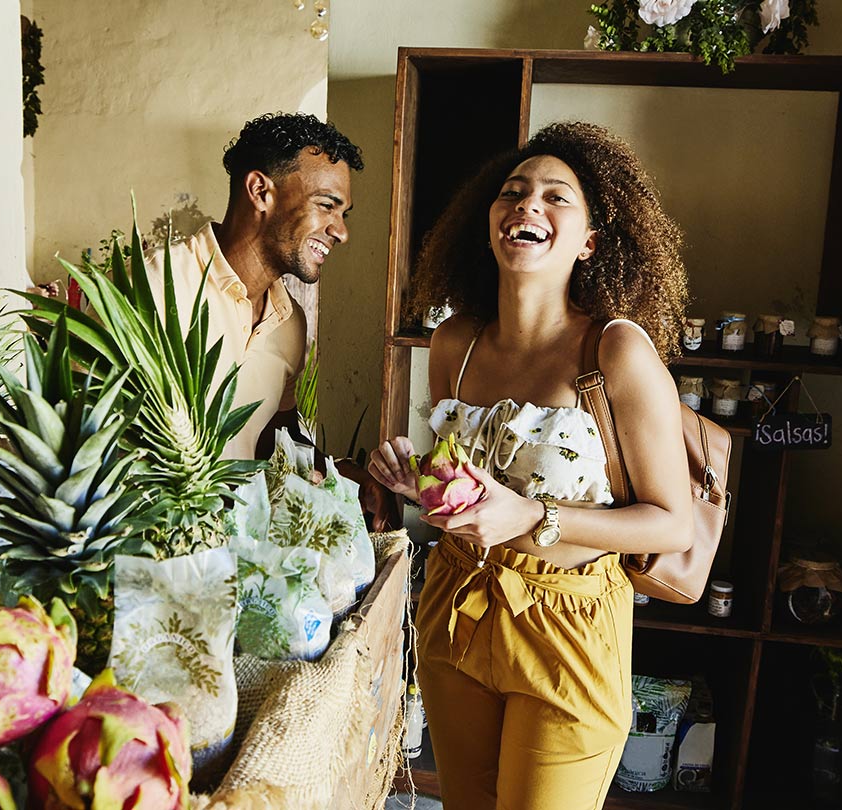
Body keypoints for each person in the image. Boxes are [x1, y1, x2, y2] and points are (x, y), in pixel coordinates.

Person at [367, 122, 700, 809]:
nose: (527, 204)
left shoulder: (614, 352)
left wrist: (534, 516)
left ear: (590, 243)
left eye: (556, 197)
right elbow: (468, 483)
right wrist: (417, 481)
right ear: (488, 221)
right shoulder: (453, 341)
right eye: (513, 193)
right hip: (457, 606)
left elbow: (673, 525)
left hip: (569, 629)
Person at [146, 112, 363, 460]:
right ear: (260, 192)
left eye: (342, 214)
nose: (341, 231)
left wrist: (346, 476)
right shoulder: (158, 285)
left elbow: (275, 436)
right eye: (326, 206)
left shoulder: (290, 322)